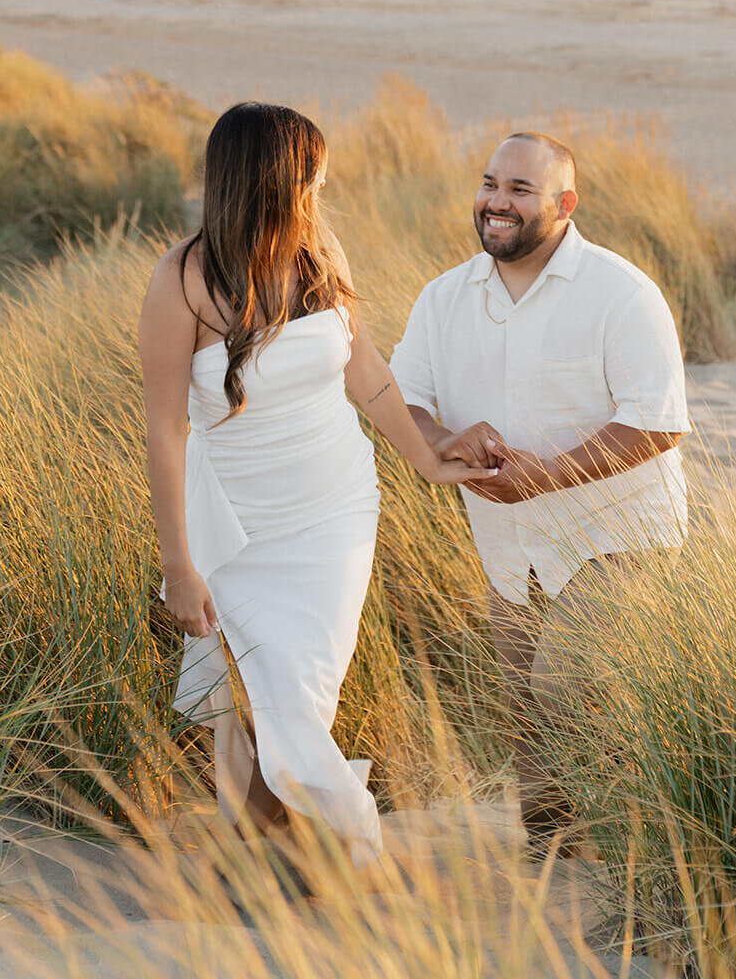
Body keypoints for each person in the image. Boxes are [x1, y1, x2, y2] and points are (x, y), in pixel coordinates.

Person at [139, 102, 497, 868]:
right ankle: (320, 851)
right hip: (236, 520)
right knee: (264, 698)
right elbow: (164, 432)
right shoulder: (181, 280)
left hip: (335, 506)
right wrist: (178, 565)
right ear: (272, 177)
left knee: (302, 692)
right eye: (313, 171)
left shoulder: (318, 251)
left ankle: (277, 854)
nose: (324, 182)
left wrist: (428, 461)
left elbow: (364, 375)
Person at [390, 130, 689, 849]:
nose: (496, 202)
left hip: (617, 539)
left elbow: (657, 424)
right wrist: (440, 443)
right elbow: (402, 398)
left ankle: (643, 852)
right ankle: (560, 867)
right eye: (490, 183)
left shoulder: (620, 292)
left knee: (566, 687)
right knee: (525, 717)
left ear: (564, 204)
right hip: (508, 545)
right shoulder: (444, 297)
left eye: (519, 190)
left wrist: (545, 477)